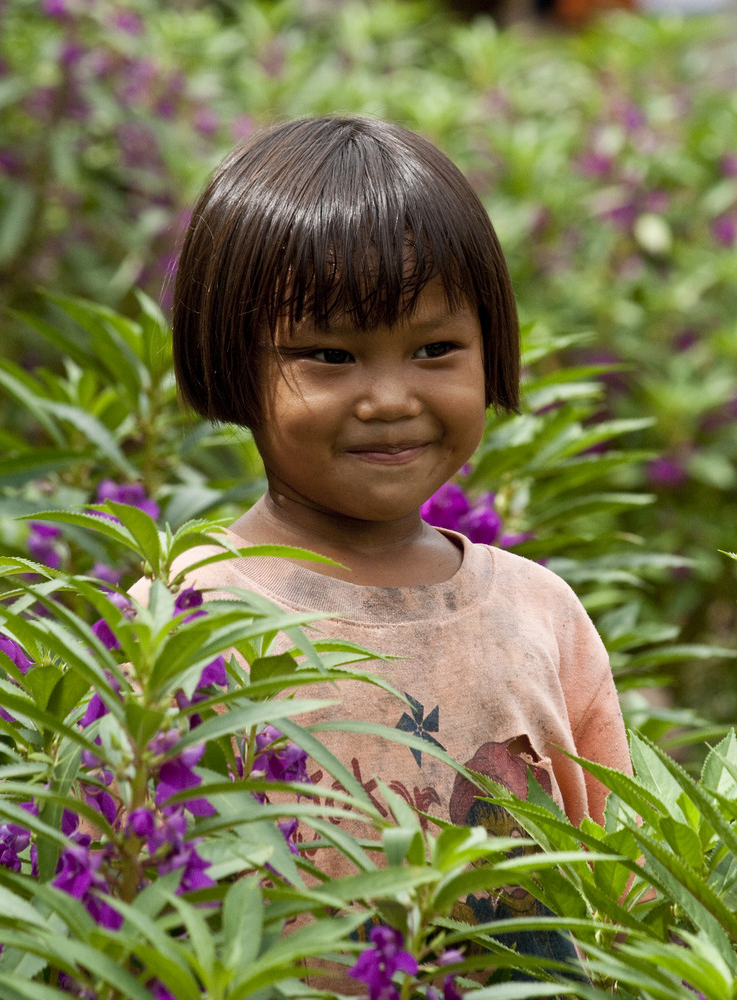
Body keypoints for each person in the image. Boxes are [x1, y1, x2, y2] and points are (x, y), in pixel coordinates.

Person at [137, 115, 631, 987]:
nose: (390, 398)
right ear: (231, 363)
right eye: (330, 355)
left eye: (436, 349)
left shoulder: (539, 611)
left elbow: (617, 895)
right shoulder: (182, 612)